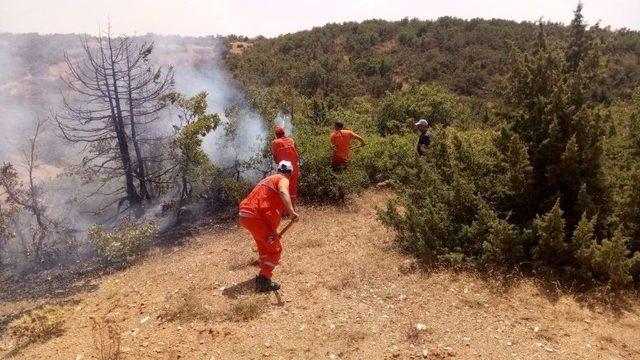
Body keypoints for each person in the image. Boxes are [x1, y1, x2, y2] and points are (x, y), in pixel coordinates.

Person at [238, 160, 300, 292]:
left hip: (246, 215)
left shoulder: (269, 179)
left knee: (264, 245)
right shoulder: (283, 179)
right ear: (290, 172)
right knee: (275, 249)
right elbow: (283, 191)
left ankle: (263, 266)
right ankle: (264, 280)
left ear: (279, 169)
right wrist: (291, 212)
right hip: (256, 216)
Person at [271, 125, 300, 206]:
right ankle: (292, 209)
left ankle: (284, 210)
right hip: (294, 168)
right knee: (293, 190)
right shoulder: (291, 140)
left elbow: (276, 159)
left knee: (283, 188)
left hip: (284, 170)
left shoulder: (275, 142)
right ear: (284, 133)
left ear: (276, 134)